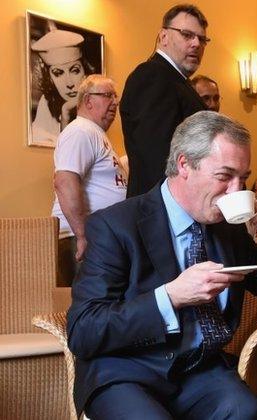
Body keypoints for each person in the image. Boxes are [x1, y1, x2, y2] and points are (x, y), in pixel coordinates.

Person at [67, 111, 257, 419]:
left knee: (245, 411)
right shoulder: (115, 225)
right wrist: (170, 296)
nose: (237, 190)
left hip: (199, 370)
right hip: (127, 371)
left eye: (244, 178)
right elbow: (84, 330)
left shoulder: (227, 227)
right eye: (225, 177)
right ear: (184, 164)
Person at [120, 4, 208, 197]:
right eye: (187, 35)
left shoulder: (176, 81)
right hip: (163, 212)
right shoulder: (152, 76)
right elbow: (156, 157)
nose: (196, 44)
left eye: (202, 39)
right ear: (163, 37)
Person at [52, 74, 127, 287]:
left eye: (116, 97)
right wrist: (83, 235)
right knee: (86, 310)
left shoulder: (95, 134)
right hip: (80, 239)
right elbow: (64, 182)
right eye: (107, 95)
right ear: (87, 101)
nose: (114, 102)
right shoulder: (80, 130)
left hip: (96, 238)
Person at [31, 29, 94, 145]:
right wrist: (65, 113)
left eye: (75, 71)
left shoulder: (95, 102)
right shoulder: (46, 102)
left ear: (85, 71)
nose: (69, 83)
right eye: (58, 73)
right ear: (49, 78)